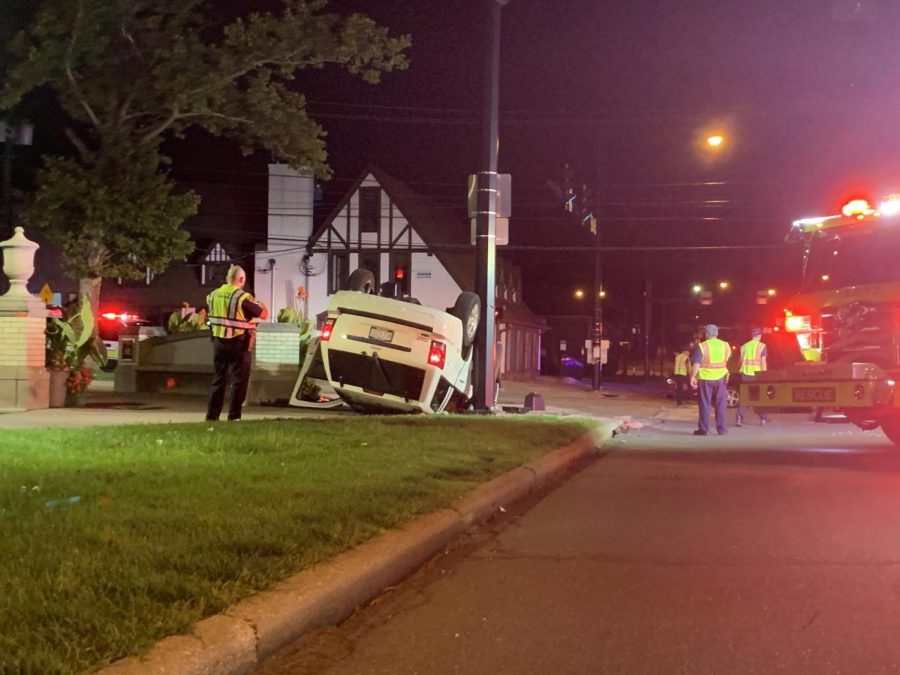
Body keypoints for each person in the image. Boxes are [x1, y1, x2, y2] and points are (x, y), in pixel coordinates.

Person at [205, 265, 268, 421]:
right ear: (241, 280)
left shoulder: (213, 295)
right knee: (239, 382)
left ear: (227, 278)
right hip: (239, 344)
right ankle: (234, 416)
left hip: (219, 342)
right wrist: (262, 305)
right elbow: (263, 314)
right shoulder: (242, 297)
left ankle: (212, 416)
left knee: (218, 380)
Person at [690, 324, 732, 436]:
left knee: (705, 404)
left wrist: (692, 377)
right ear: (717, 333)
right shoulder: (725, 345)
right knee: (721, 404)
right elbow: (728, 359)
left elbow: (696, 364)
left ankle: (704, 430)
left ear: (706, 334)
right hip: (721, 378)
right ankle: (722, 429)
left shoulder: (702, 346)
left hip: (705, 378)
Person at [735, 326, 770, 427]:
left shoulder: (744, 346)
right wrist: (765, 374)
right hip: (757, 374)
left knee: (745, 396)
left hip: (745, 374)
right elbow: (763, 362)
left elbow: (740, 361)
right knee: (760, 396)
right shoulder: (762, 346)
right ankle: (763, 418)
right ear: (759, 335)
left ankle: (739, 418)